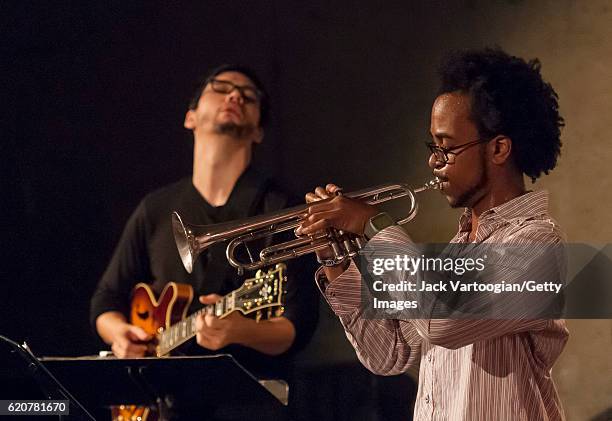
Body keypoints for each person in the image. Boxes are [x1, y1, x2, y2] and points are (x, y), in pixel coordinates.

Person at [298, 48, 568, 420]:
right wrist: (336, 259)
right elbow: (388, 354)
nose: (433, 161)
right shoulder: (456, 252)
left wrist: (373, 225)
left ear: (499, 148)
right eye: (434, 147)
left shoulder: (537, 244)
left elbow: (442, 318)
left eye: (447, 148)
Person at [90, 65, 318, 415]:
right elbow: (106, 300)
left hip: (243, 406)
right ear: (190, 117)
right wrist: (121, 335)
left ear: (258, 131)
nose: (235, 96)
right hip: (161, 404)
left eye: (249, 95)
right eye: (221, 87)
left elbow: (297, 327)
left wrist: (240, 331)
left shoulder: (279, 207)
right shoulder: (156, 208)